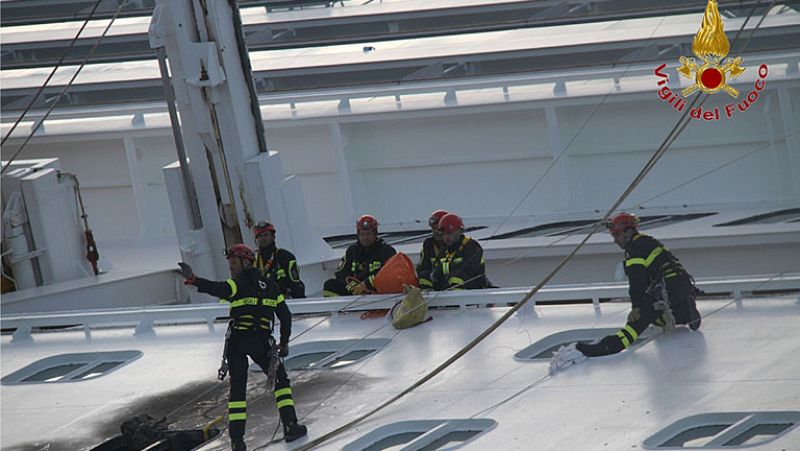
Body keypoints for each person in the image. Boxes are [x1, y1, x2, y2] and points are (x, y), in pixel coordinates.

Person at [179, 244, 307, 449]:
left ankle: (237, 443)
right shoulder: (271, 286)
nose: (230, 267)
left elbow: (219, 289)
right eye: (229, 263)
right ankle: (291, 426)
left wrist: (194, 280)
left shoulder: (237, 283)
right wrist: (284, 343)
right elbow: (285, 316)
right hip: (260, 341)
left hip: (237, 341)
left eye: (233, 263)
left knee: (237, 391)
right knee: (281, 381)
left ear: (246, 261)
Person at [575, 212, 702, 358]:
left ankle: (609, 346)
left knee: (638, 321)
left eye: (616, 235)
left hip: (668, 289)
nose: (615, 240)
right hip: (683, 287)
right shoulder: (649, 241)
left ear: (628, 232)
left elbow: (637, 280)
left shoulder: (634, 248)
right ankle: (686, 313)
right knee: (656, 317)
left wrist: (636, 307)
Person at [323, 215, 396, 296]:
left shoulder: (386, 251)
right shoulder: (352, 251)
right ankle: (335, 308)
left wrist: (365, 284)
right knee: (330, 285)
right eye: (362, 234)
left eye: (368, 234)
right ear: (358, 235)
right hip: (354, 291)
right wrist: (353, 286)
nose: (365, 237)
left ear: (375, 234)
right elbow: (341, 273)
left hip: (377, 292)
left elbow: (390, 273)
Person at [429, 213, 487, 290]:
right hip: (447, 288)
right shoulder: (445, 248)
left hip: (472, 287)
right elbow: (436, 268)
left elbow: (469, 267)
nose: (446, 237)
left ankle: (455, 301)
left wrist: (444, 268)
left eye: (449, 233)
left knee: (456, 275)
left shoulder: (471, 246)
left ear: (459, 231)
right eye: (443, 234)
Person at [253, 220, 305, 299]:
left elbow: (297, 286)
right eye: (259, 236)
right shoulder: (254, 260)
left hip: (285, 301)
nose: (263, 238)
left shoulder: (284, 256)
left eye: (266, 235)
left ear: (273, 237)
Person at [417, 210, 449, 290]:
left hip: (449, 281)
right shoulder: (428, 244)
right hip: (434, 282)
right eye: (433, 228)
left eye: (439, 229)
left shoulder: (457, 244)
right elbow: (423, 267)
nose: (436, 232)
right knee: (423, 275)